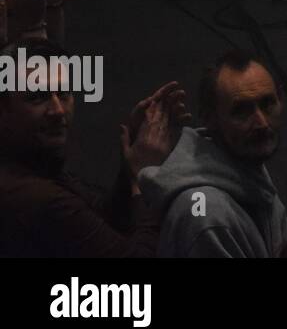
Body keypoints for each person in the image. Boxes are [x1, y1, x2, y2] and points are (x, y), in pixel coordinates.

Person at [0, 38, 187, 257]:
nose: (58, 110)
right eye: (37, 98)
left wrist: (129, 171)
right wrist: (145, 177)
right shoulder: (35, 196)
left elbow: (100, 219)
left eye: (63, 93)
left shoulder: (31, 159)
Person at [139, 49, 287, 257]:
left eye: (267, 104)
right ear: (209, 119)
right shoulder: (208, 216)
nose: (262, 123)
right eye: (241, 111)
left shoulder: (249, 174)